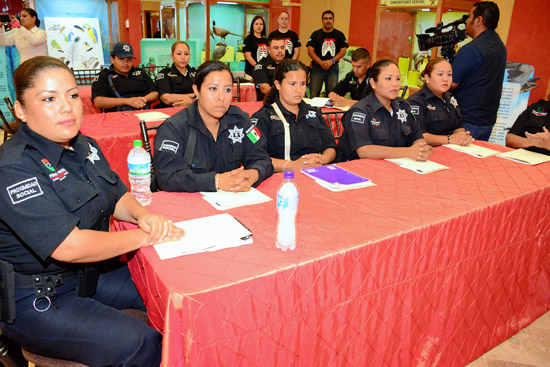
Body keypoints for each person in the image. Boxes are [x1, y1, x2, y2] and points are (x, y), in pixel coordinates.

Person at [0, 56, 184, 366]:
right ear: (20, 110)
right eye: (49, 98)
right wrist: (144, 236)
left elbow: (116, 194)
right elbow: (70, 246)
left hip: (89, 276)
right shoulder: (15, 168)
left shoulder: (85, 145)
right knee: (141, 344)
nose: (66, 107)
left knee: (170, 297)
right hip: (38, 298)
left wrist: (142, 215)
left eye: (72, 95)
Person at [153, 60, 273, 193]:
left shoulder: (241, 121)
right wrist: (216, 181)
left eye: (227, 90)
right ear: (196, 91)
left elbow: (262, 158)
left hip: (233, 200)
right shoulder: (175, 128)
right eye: (213, 89)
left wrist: (253, 174)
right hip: (190, 205)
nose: (221, 97)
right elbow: (167, 177)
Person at [337, 59, 432, 162]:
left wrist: (420, 148)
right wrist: (407, 152)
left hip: (396, 164)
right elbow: (364, 151)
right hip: (357, 169)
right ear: (373, 83)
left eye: (398, 79)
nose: (395, 84)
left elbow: (417, 136)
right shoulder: (361, 111)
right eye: (388, 78)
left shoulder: (403, 106)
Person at [252, 60, 336, 172]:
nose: (298, 90)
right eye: (292, 84)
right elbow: (254, 156)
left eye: (303, 84)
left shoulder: (313, 113)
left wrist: (323, 159)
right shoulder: (262, 118)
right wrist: (292, 165)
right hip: (281, 178)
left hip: (315, 173)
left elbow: (330, 146)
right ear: (278, 85)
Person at [451, 1, 506, 141]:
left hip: (466, 121)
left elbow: (450, 83)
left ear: (478, 20)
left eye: (469, 16)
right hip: (487, 121)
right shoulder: (500, 46)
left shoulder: (471, 49)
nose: (467, 21)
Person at [408, 58, 474, 146]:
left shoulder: (450, 98)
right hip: (427, 151)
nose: (445, 79)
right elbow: (419, 136)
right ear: (427, 77)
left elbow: (458, 126)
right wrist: (449, 139)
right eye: (440, 74)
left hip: (450, 148)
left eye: (449, 74)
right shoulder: (416, 101)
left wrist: (462, 137)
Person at [92, 42, 158, 112]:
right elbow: (98, 101)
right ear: (112, 59)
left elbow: (155, 93)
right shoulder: (103, 76)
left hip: (143, 112)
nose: (126, 63)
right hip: (116, 117)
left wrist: (142, 100)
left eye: (129, 59)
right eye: (121, 59)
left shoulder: (141, 73)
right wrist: (127, 101)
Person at [306, 10, 348, 98]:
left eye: (330, 18)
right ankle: (313, 111)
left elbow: (343, 51)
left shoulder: (339, 35)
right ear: (322, 21)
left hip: (333, 68)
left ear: (333, 20)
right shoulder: (316, 34)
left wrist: (331, 61)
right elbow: (310, 51)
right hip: (317, 68)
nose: (328, 21)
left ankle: (329, 112)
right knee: (314, 95)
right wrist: (321, 62)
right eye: (325, 19)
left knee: (332, 96)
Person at [155, 41, 197, 108]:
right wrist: (194, 98)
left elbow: (205, 94)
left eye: (186, 54)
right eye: (179, 54)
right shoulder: (164, 73)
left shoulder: (195, 73)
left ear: (189, 56)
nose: (183, 57)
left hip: (194, 110)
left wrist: (192, 101)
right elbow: (166, 98)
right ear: (172, 56)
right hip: (171, 111)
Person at [251, 36, 286, 102]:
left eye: (282, 48)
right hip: (268, 105)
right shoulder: (261, 66)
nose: (280, 51)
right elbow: (265, 88)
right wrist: (284, 97)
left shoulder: (289, 65)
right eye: (276, 48)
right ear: (269, 50)